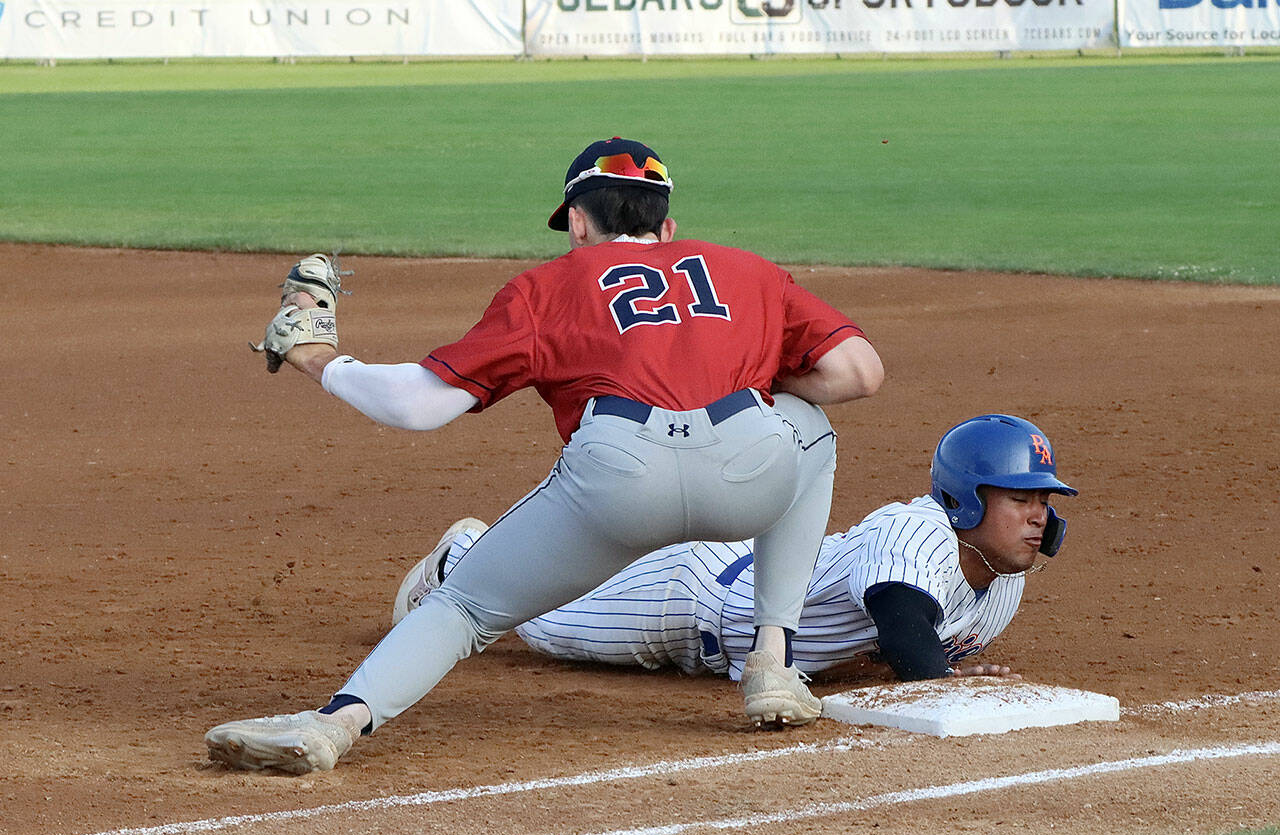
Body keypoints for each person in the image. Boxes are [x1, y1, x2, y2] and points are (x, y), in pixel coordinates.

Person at [206, 137, 884, 774]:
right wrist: (750, 389)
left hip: (620, 482)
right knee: (807, 424)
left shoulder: (549, 286)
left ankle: (333, 725)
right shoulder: (749, 270)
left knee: (465, 607)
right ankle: (772, 659)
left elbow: (421, 405)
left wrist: (317, 360)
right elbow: (860, 371)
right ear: (667, 227)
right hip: (750, 471)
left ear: (579, 225)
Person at [395, 415, 1076, 687]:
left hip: (737, 597)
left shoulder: (1004, 577)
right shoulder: (916, 532)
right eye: (1022, 499)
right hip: (689, 599)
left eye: (1044, 502)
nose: (1038, 517)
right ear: (964, 498)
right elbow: (907, 635)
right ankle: (464, 556)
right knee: (536, 617)